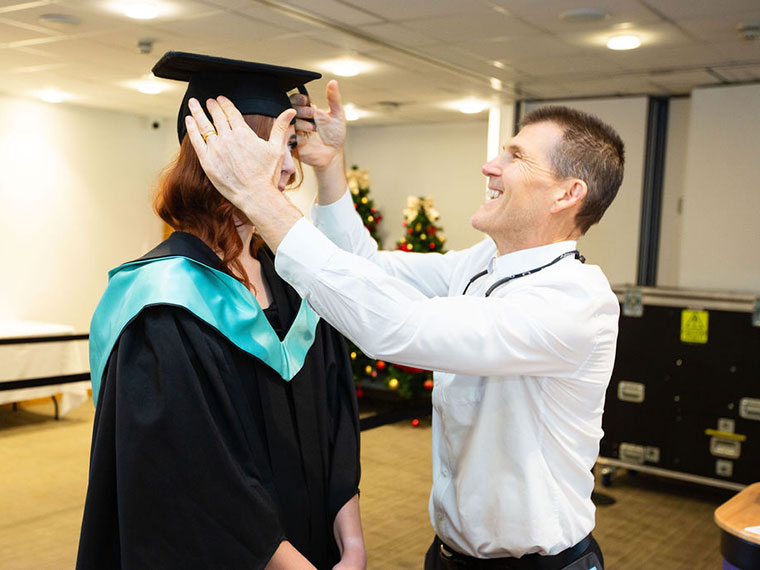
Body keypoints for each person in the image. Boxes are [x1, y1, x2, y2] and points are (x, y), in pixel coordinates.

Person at [184, 79, 625, 570]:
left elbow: (395, 326)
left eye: (516, 157)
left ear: (568, 193)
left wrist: (256, 196)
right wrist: (329, 169)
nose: (490, 166)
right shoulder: (481, 265)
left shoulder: (576, 303)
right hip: (450, 557)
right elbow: (363, 265)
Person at [76, 52, 365, 570]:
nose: (285, 166)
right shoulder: (163, 299)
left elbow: (337, 422)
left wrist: (354, 545)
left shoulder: (295, 282)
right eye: (268, 145)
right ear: (215, 155)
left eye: (289, 145)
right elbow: (191, 475)